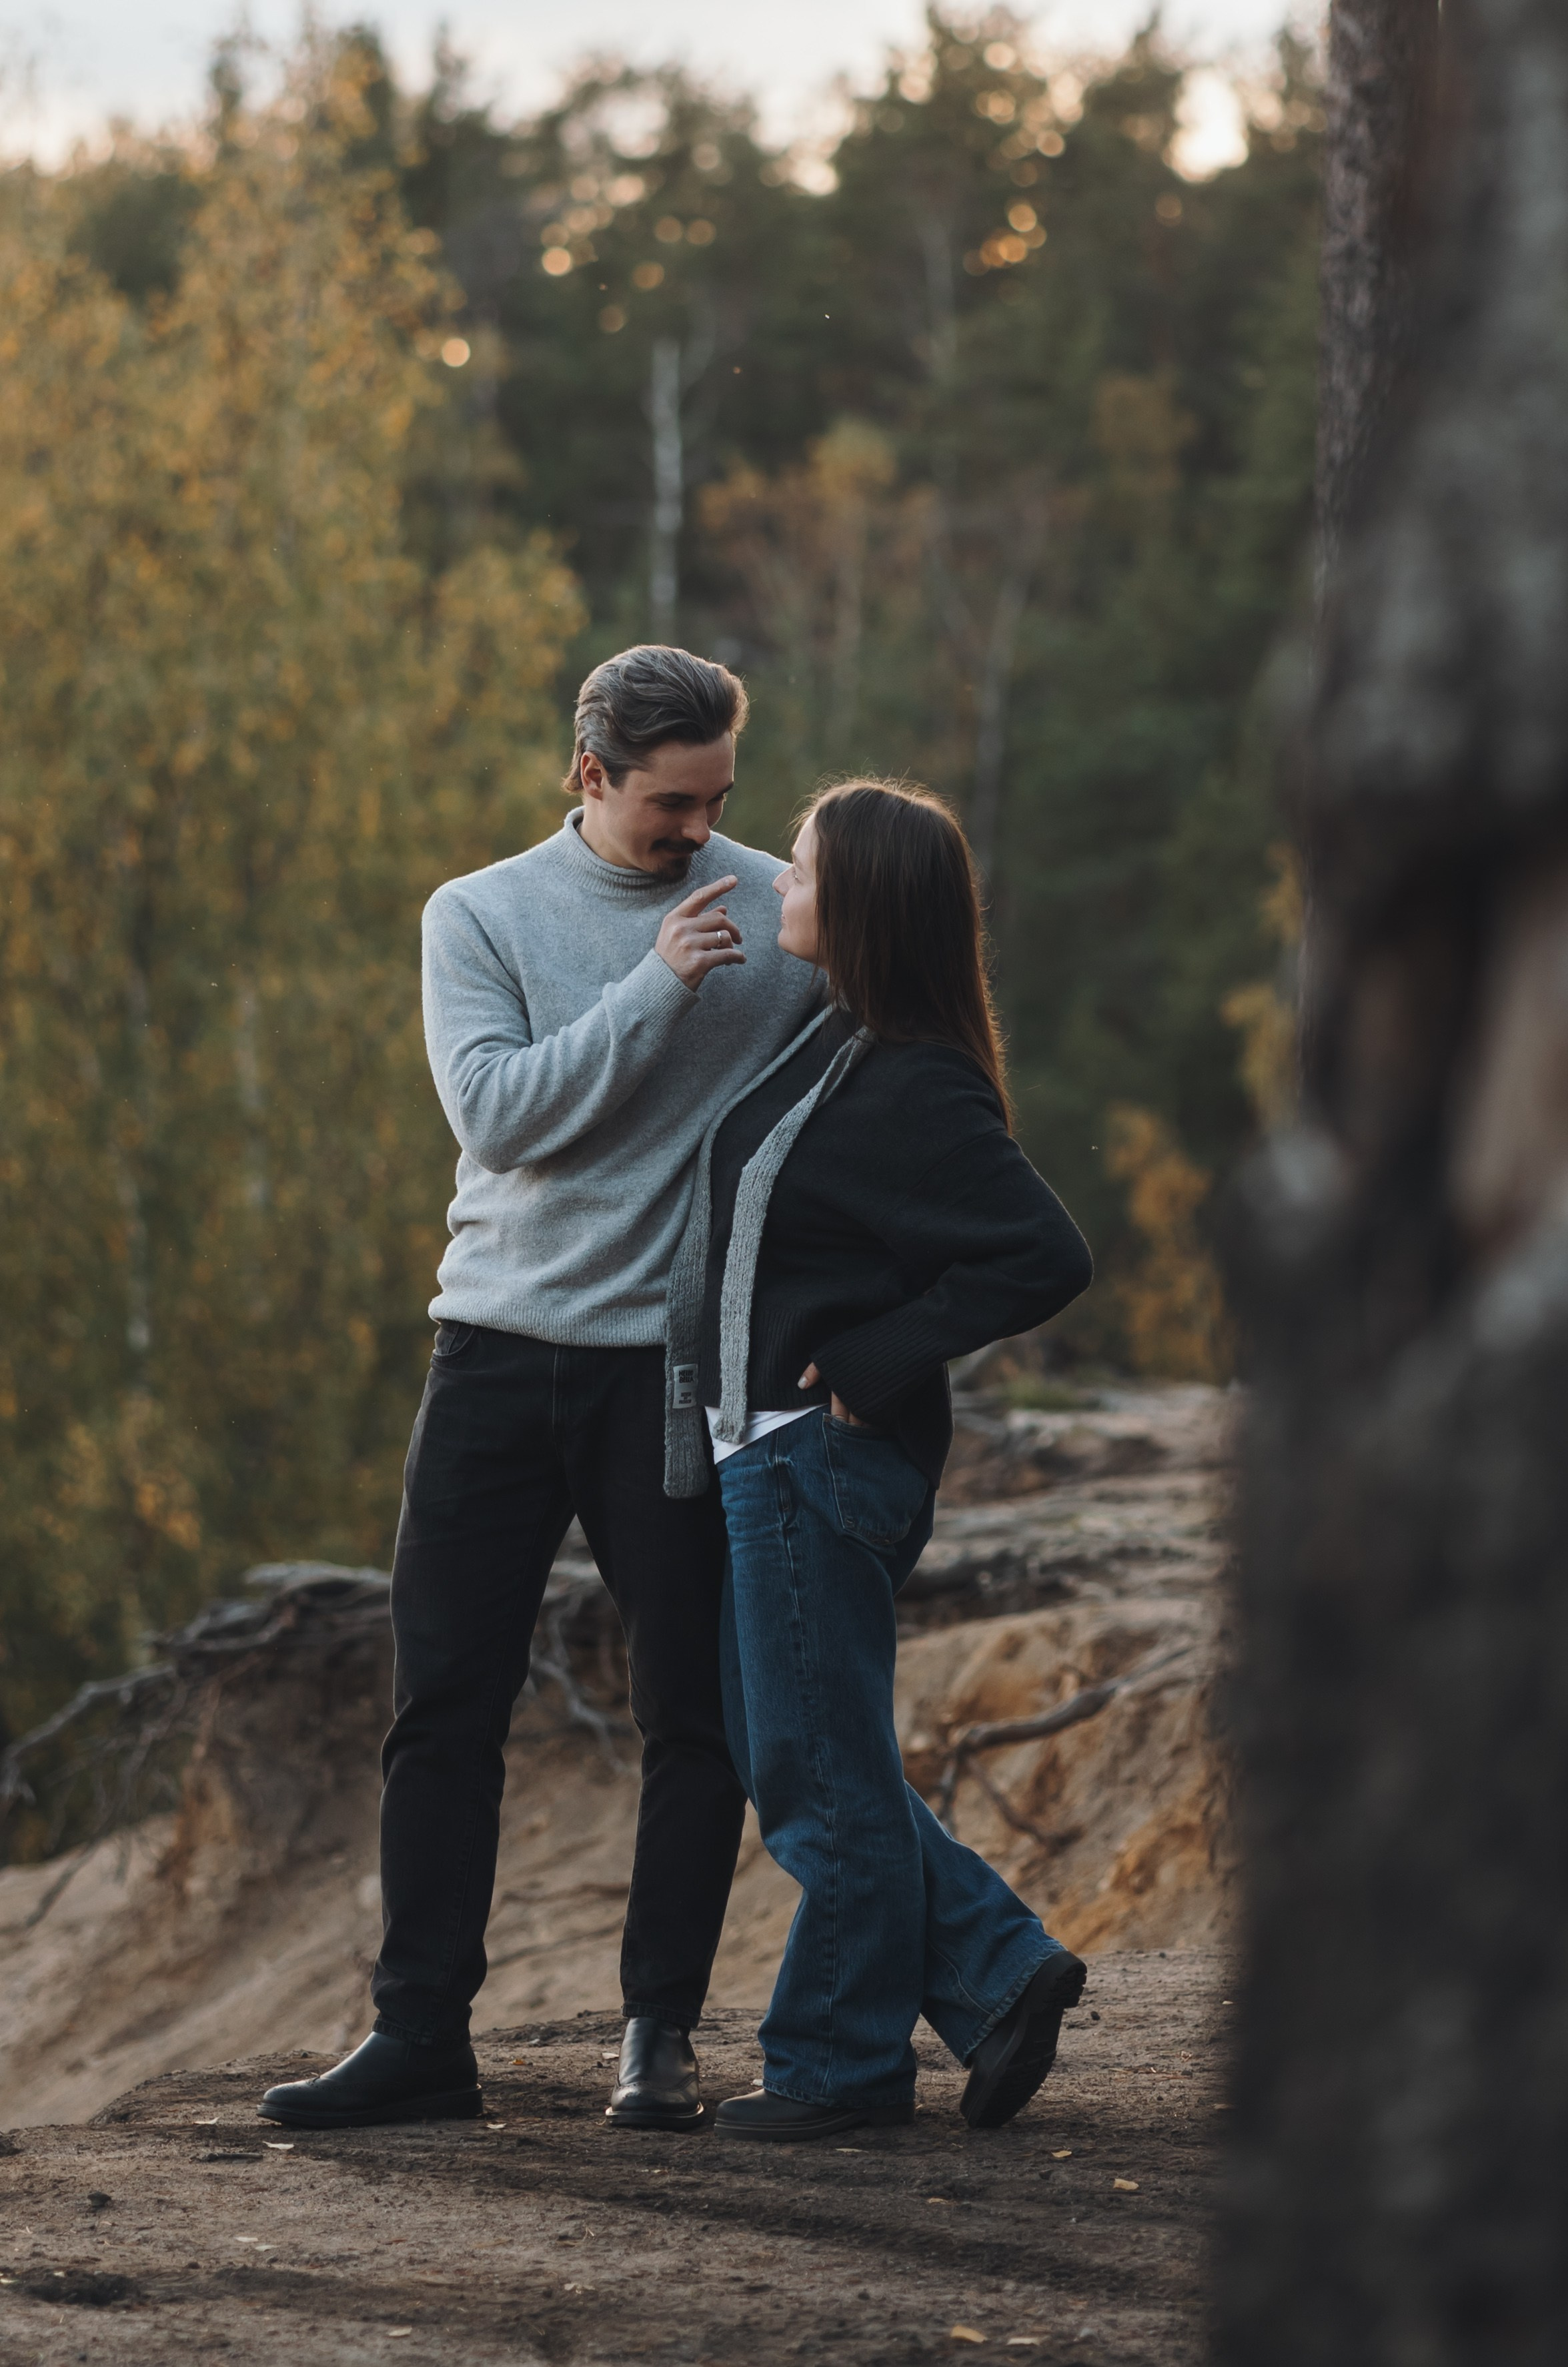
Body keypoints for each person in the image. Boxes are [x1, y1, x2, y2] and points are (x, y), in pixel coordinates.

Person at [259, 646, 824, 2134]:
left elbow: (872, 1088)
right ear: (589, 775)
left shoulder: (783, 911)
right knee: (444, 1705)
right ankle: (419, 2037)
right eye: (670, 804)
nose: (702, 832)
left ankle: (659, 2036)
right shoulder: (479, 913)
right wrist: (655, 986)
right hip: (494, 1357)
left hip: (672, 1374)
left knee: (691, 1714)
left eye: (718, 800)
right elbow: (500, 1118)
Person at [663, 780, 1094, 2141]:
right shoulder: (833, 1041)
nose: (778, 886)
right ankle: (998, 1970)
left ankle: (839, 2065)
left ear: (859, 900)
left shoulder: (912, 1078)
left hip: (817, 1463)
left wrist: (876, 1357)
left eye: (798, 870)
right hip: (764, 1461)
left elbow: (1043, 1255)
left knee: (818, 1774)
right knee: (796, 1754)